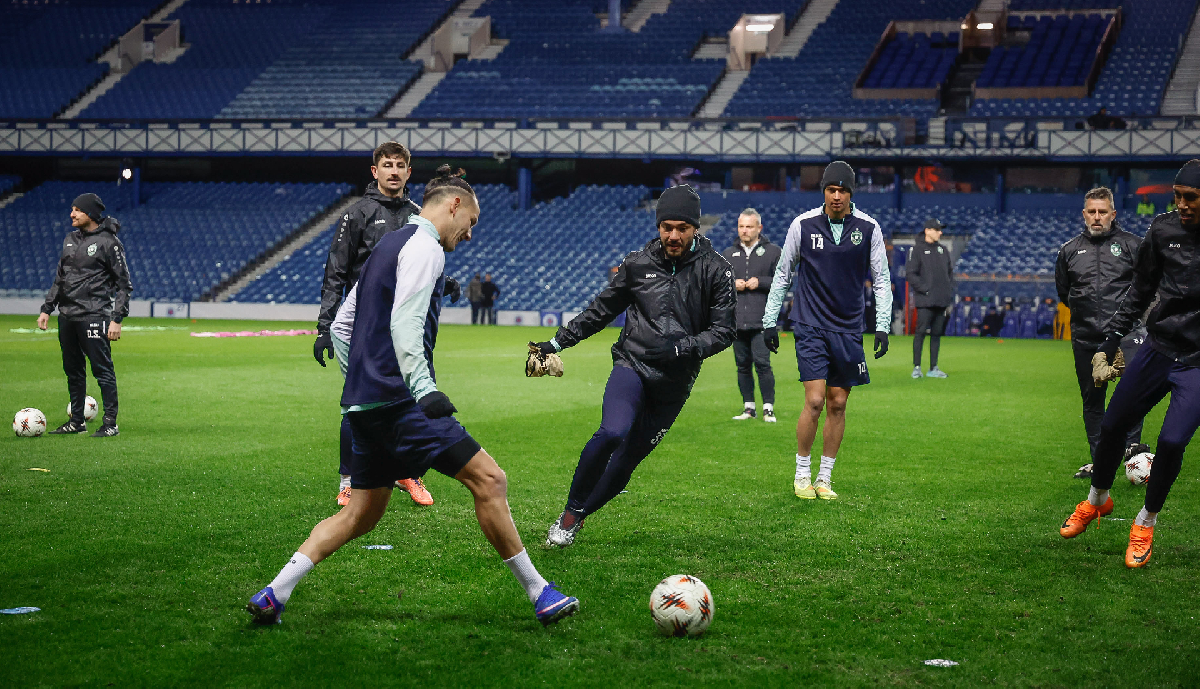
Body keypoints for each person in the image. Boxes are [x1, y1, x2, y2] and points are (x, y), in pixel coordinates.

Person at [247, 166, 579, 626]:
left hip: (364, 405)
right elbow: (405, 324)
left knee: (361, 515)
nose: (469, 234)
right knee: (490, 481)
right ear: (454, 205)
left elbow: (342, 326)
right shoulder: (425, 247)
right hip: (401, 404)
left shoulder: (389, 244)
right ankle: (540, 592)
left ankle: (274, 593)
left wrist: (361, 379)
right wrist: (422, 389)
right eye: (471, 223)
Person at [532, 185, 735, 548]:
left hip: (674, 383)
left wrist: (684, 347)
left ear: (696, 228)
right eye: (667, 227)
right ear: (658, 226)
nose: (673, 236)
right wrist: (557, 343)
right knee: (612, 431)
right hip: (633, 365)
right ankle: (569, 513)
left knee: (626, 462)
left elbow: (724, 331)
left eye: (682, 228)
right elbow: (600, 310)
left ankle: (579, 515)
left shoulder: (717, 270)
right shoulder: (637, 264)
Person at [1059, 160, 1200, 568]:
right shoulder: (1163, 229)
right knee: (1112, 425)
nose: (1182, 205)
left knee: (1172, 442)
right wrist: (1110, 340)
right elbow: (1140, 290)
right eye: (1177, 197)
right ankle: (1097, 500)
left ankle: (1145, 522)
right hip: (1158, 349)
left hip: (1196, 362)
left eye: (1190, 198)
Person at [310, 141, 439, 507]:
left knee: (411, 399)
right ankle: (349, 481)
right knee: (359, 402)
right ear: (375, 171)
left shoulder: (419, 216)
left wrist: (445, 283)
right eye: (387, 165)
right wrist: (324, 327)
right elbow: (336, 272)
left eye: (399, 165)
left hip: (406, 325)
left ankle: (406, 472)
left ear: (408, 172)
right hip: (364, 326)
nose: (393, 171)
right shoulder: (357, 214)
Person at [762, 161, 893, 501]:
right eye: (831, 190)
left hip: (848, 328)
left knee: (838, 403)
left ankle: (824, 478)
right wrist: (769, 320)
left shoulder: (869, 228)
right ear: (823, 191)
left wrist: (882, 326)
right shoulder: (802, 225)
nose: (836, 196)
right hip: (810, 324)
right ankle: (801, 474)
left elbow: (881, 279)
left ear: (851, 193)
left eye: (843, 190)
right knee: (816, 400)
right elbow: (783, 273)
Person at [1054, 186, 1146, 479]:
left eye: (1102, 212)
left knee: (1132, 395)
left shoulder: (1133, 246)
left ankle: (1133, 456)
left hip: (1126, 335)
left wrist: (1138, 324)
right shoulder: (1069, 251)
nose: (1097, 217)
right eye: (1092, 212)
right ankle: (1100, 462)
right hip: (1086, 338)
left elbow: (1148, 287)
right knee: (1092, 401)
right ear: (1084, 214)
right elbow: (1064, 292)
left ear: (1113, 214)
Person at [37, 193, 132, 438]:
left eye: (77, 210)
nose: (72, 214)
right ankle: (76, 421)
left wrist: (117, 319)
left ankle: (110, 423)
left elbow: (124, 285)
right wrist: (47, 308)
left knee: (102, 370)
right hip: (67, 315)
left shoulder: (109, 243)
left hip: (94, 314)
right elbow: (60, 278)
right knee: (73, 370)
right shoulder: (69, 239)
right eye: (72, 209)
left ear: (90, 213)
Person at [721, 208, 782, 422]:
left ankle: (768, 408)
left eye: (749, 226)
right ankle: (749, 408)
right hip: (737, 321)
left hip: (762, 321)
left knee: (762, 364)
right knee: (742, 366)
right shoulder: (728, 254)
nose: (744, 230)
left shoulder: (773, 252)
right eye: (741, 226)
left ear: (759, 228)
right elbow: (717, 285)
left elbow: (784, 281)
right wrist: (731, 284)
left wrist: (761, 282)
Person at [908, 218, 955, 378]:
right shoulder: (917, 250)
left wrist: (947, 290)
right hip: (925, 300)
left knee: (936, 334)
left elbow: (949, 273)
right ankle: (917, 367)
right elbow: (911, 274)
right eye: (937, 229)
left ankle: (933, 368)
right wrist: (925, 290)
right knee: (920, 333)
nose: (940, 232)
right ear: (927, 230)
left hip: (941, 300)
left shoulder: (943, 250)